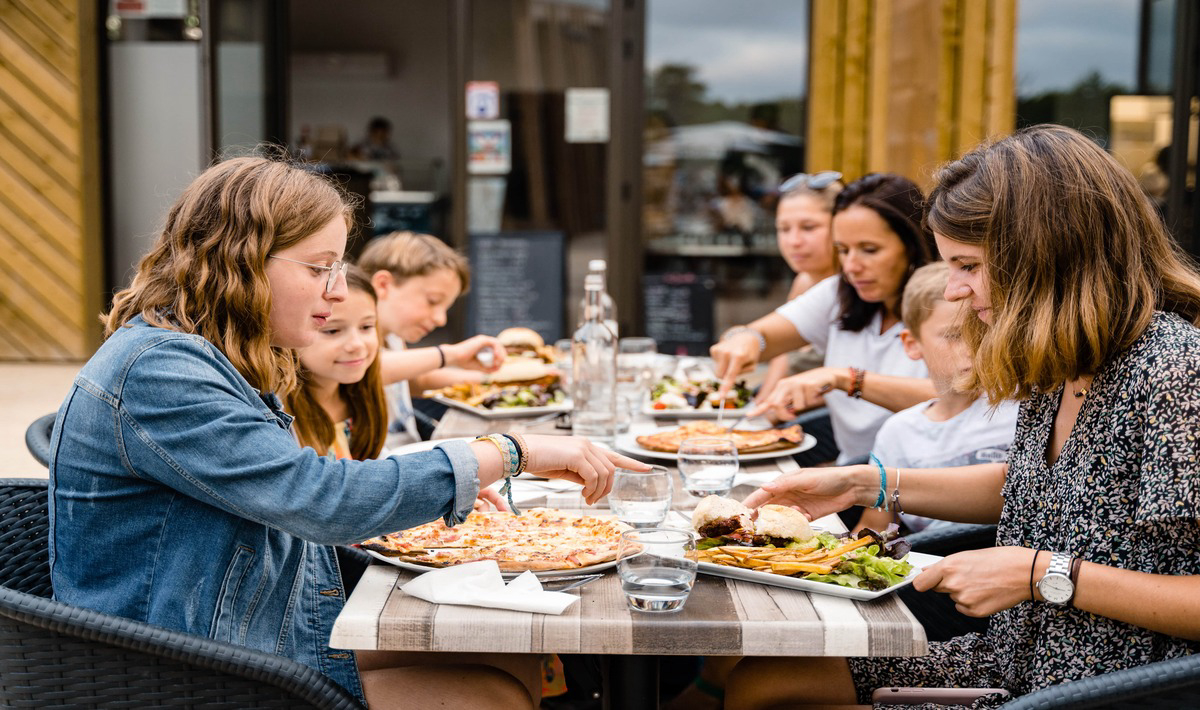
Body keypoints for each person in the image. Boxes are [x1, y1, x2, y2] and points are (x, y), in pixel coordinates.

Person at [49, 156, 646, 710]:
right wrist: (508, 451)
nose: (337, 292)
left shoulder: (210, 355)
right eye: (319, 268)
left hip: (258, 624)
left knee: (517, 653)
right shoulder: (161, 370)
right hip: (189, 669)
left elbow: (297, 497)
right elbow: (318, 498)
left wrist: (428, 497)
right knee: (496, 695)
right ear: (239, 258)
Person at [725, 125, 1200, 709]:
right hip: (1012, 657)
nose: (952, 290)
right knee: (763, 679)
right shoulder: (1067, 357)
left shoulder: (1173, 373)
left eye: (968, 265)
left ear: (1048, 255)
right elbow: (1032, 489)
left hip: (1095, 688)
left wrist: (1039, 574)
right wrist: (863, 482)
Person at [712, 173, 938, 464]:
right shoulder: (839, 293)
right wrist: (743, 340)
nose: (852, 266)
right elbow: (761, 334)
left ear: (912, 243)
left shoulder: (946, 303)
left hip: (914, 480)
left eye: (869, 250)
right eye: (842, 250)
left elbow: (958, 399)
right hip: (854, 468)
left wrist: (845, 379)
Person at [855, 262, 1018, 535]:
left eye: (982, 332)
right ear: (912, 344)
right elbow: (874, 529)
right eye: (954, 336)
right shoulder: (898, 432)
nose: (971, 348)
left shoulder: (1022, 407)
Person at [355, 231, 510, 448]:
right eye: (432, 301)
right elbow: (369, 368)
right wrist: (450, 355)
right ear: (383, 285)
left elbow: (416, 380)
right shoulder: (350, 340)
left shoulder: (393, 337)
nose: (441, 319)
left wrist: (499, 379)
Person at [756, 171, 843, 401]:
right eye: (784, 229)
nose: (794, 241)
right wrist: (756, 413)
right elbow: (782, 355)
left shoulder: (861, 284)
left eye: (808, 227)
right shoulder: (804, 280)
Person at [288, 264, 387, 460]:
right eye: (332, 331)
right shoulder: (281, 416)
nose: (356, 344)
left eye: (367, 326)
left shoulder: (362, 397)